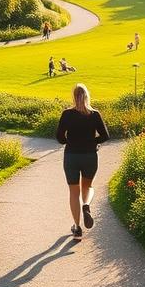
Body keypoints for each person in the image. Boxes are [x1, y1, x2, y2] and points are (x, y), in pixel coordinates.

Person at [55, 83, 110, 239]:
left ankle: (77, 228)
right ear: (87, 96)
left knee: (73, 192)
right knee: (88, 186)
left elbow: (59, 137)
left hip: (71, 156)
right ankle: (86, 205)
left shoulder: (67, 114)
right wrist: (92, 142)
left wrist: (70, 141)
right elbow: (105, 136)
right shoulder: (95, 114)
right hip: (90, 156)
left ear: (74, 96)